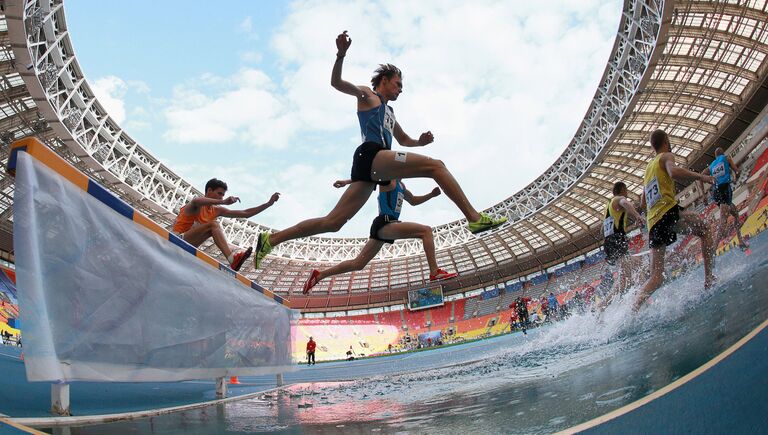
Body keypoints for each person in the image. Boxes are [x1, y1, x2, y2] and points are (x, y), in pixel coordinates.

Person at [252, 31, 507, 268]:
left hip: (375, 166)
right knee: (436, 166)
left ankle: (271, 240)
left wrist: (420, 141)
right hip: (371, 155)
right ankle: (474, 218)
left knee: (334, 222)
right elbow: (336, 82)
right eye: (397, 84)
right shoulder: (367, 95)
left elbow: (404, 140)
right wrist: (341, 55)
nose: (400, 90)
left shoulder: (390, 112)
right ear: (383, 81)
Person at [302, 179, 458, 294]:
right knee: (426, 231)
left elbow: (414, 201)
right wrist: (347, 182)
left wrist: (431, 195)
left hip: (387, 226)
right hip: (385, 222)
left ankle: (319, 275)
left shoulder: (402, 186)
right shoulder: (388, 180)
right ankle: (434, 271)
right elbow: (369, 177)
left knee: (358, 263)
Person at [633, 129, 716, 311]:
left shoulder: (648, 169)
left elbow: (643, 201)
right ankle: (709, 280)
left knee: (656, 276)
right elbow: (673, 172)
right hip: (667, 213)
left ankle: (633, 309)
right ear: (666, 141)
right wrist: (701, 177)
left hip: (653, 223)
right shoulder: (665, 156)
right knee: (705, 229)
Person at [172, 178, 280, 271]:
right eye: (219, 194)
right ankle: (232, 260)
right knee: (213, 225)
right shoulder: (197, 204)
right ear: (209, 190)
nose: (221, 198)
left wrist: (268, 204)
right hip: (175, 240)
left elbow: (245, 213)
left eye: (223, 195)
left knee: (213, 226)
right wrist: (223, 202)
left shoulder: (216, 210)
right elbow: (196, 201)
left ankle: (233, 261)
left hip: (189, 246)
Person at [600, 181, 645, 308]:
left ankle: (638, 297)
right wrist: (637, 216)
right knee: (627, 277)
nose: (627, 193)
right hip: (616, 241)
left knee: (632, 269)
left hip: (611, 241)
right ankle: (636, 303)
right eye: (626, 190)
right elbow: (625, 203)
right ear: (622, 189)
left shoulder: (608, 205)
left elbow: (604, 227)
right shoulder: (619, 199)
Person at [699, 147, 749, 251]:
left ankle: (740, 241)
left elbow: (701, 176)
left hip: (716, 193)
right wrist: (735, 178)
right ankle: (713, 249)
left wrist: (703, 195)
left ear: (716, 156)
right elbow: (737, 171)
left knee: (735, 213)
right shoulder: (726, 158)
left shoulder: (712, 165)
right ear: (723, 153)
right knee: (723, 221)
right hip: (725, 190)